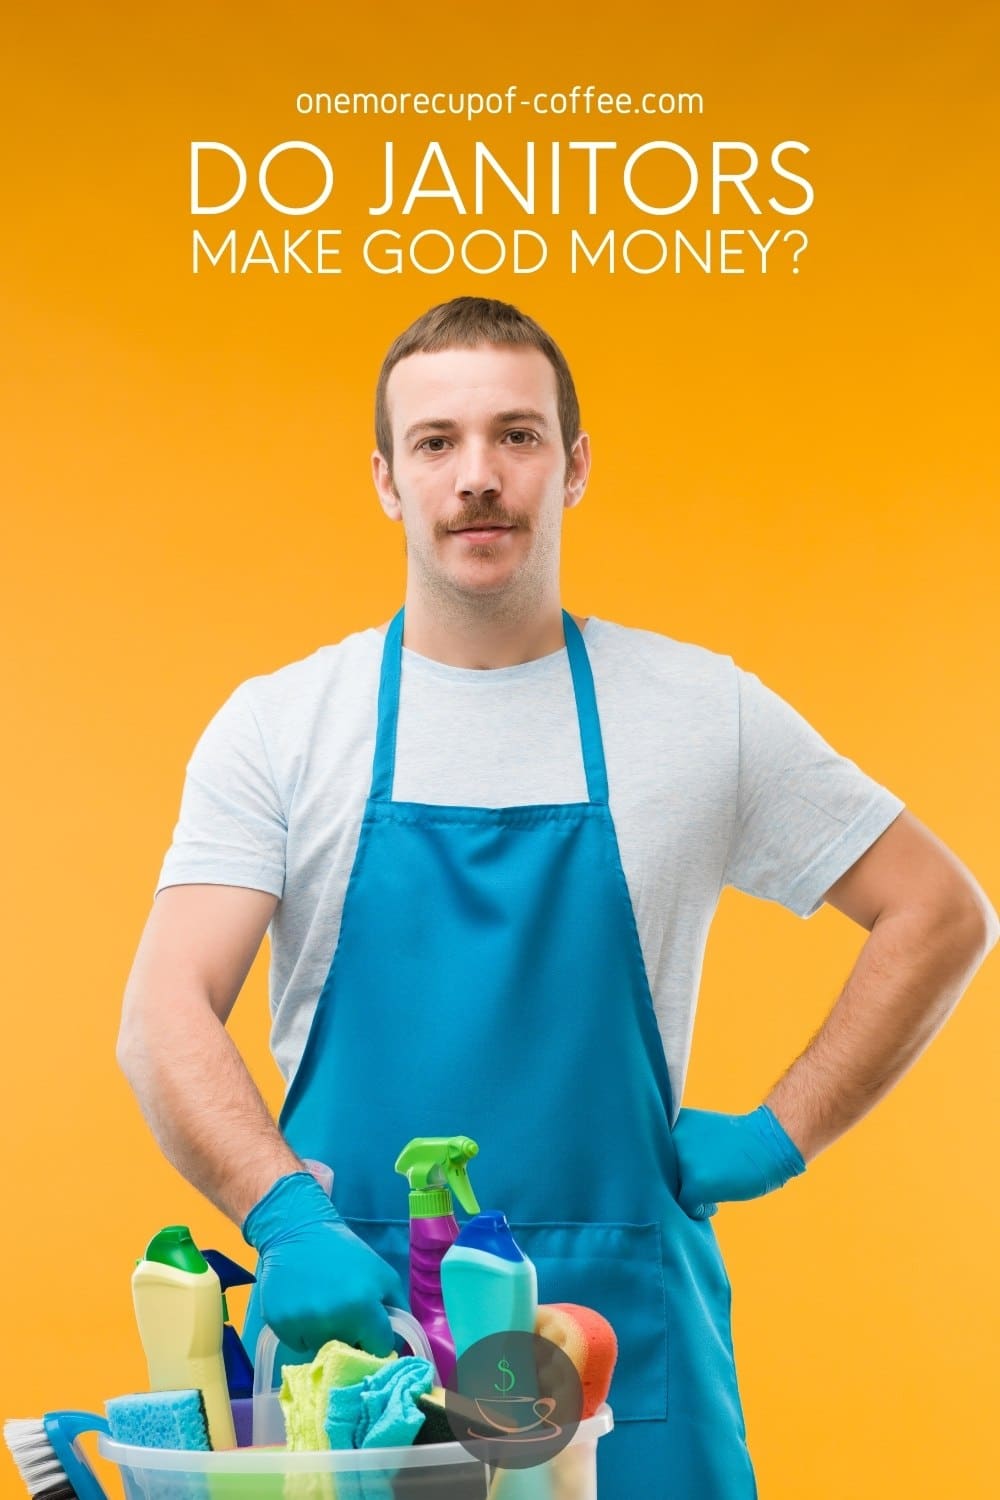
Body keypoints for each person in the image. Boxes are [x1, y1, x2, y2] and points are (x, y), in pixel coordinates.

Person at [118, 296, 997, 1498]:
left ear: (572, 465)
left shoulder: (698, 712)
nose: (476, 476)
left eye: (516, 436)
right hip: (361, 1345)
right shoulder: (284, 725)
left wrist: (781, 1132)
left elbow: (940, 912)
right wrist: (280, 1213)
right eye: (436, 443)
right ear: (386, 479)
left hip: (618, 1348)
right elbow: (165, 1009)